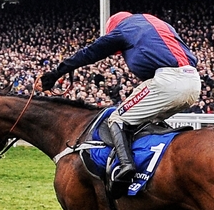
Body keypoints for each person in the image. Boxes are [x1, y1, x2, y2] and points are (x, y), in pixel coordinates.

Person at [36, 12, 201, 190]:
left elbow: (89, 53)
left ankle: (125, 167)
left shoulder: (123, 28)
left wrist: (55, 74)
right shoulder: (159, 25)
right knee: (145, 121)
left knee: (116, 119)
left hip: (168, 82)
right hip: (193, 81)